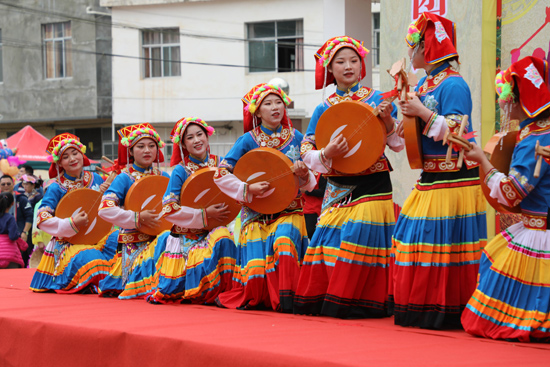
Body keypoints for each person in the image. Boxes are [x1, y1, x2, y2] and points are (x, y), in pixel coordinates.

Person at [294, 36, 403, 319]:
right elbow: (306, 150)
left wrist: (389, 121)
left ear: (362, 66)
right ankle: (331, 297)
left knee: (360, 235)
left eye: (354, 60)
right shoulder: (324, 107)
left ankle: (358, 303)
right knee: (328, 241)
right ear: (330, 69)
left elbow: (397, 144)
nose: (348, 66)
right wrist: (326, 152)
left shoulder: (378, 99)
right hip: (338, 185)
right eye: (340, 61)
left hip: (375, 181)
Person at [390, 13, 487, 329]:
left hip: (453, 179)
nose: (410, 51)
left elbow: (459, 134)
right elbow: (411, 132)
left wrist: (420, 111)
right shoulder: (422, 83)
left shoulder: (454, 84)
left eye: (414, 45)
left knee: (436, 243)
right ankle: (422, 307)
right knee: (414, 239)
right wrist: (389, 120)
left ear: (427, 47)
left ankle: (441, 310)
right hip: (431, 176)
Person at [461, 56, 550, 341]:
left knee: (491, 298)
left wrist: (482, 162)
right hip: (536, 224)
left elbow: (512, 192)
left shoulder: (537, 138)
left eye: (505, 96)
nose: (502, 103)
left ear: (518, 98)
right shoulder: (539, 132)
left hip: (540, 231)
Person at [214, 83, 315, 313]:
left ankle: (287, 299)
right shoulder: (247, 141)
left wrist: (304, 174)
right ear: (257, 112)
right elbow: (220, 174)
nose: (275, 107)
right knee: (256, 270)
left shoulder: (297, 137)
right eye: (267, 104)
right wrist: (247, 188)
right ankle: (260, 297)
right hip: (256, 214)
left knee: (284, 242)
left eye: (278, 102)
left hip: (289, 210)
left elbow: (311, 182)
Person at [147, 117, 237, 304]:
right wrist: (204, 215)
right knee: (221, 236)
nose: (196, 140)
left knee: (226, 236)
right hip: (188, 238)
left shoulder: (222, 164)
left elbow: (236, 194)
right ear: (183, 145)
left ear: (207, 137)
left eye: (199, 134)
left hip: (217, 228)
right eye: (190, 137)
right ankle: (209, 290)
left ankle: (224, 291)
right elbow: (169, 209)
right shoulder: (180, 171)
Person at [29, 133, 117, 293]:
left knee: (120, 242)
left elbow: (109, 209)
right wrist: (71, 223)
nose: (72, 159)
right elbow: (42, 219)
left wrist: (108, 195)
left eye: (75, 153)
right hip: (69, 243)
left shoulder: (96, 178)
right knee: (92, 259)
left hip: (98, 237)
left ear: (82, 154)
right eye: (65, 157)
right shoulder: (56, 187)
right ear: (59, 163)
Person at [97, 123, 170, 300]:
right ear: (130, 151)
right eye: (141, 146)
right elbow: (104, 209)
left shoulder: (165, 177)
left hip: (163, 239)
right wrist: (137, 218)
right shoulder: (124, 178)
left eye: (151, 146)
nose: (147, 150)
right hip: (136, 246)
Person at [0, 174, 33, 267]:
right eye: (3, 184)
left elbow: (29, 216)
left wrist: (25, 232)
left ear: (13, 184)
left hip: (19, 238)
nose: (6, 186)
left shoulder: (21, 198)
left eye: (8, 183)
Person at [0, 192, 28, 269]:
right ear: (12, 203)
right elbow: (13, 236)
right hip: (10, 255)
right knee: (11, 278)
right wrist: (18, 234)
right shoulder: (10, 218)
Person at [302, 172, 326, 240]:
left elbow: (323, 192)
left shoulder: (322, 173)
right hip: (302, 209)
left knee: (311, 233)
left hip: (314, 209)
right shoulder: (303, 173)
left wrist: (306, 191)